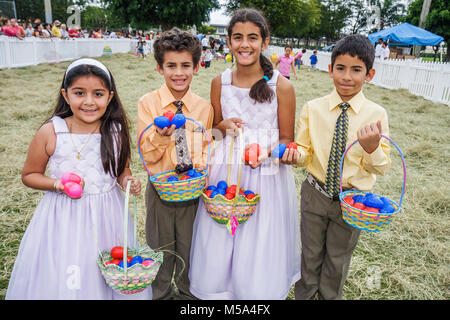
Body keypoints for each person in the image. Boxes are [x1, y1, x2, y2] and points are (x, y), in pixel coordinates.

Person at [5, 58, 151, 300]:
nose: (89, 101)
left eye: (98, 94)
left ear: (110, 96)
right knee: (69, 267)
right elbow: (29, 175)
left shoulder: (115, 131)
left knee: (104, 266)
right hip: (63, 217)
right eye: (79, 93)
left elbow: (121, 171)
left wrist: (128, 182)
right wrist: (57, 184)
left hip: (107, 215)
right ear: (65, 94)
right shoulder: (51, 132)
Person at [189, 8, 301, 300]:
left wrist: (274, 151)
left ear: (265, 42)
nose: (245, 44)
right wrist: (221, 126)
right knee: (221, 231)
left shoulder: (282, 86)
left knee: (258, 236)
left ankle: (253, 294)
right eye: (237, 37)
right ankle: (220, 292)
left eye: (253, 37)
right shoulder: (220, 82)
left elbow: (287, 139)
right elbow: (213, 129)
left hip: (266, 173)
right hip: (225, 168)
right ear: (228, 41)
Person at [292, 34, 391, 300]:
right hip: (314, 193)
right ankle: (305, 294)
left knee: (338, 258)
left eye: (356, 70)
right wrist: (294, 156)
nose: (347, 76)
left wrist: (371, 148)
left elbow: (381, 167)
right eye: (341, 68)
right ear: (330, 70)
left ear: (369, 74)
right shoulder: (313, 108)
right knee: (310, 254)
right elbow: (304, 152)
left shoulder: (376, 115)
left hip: (353, 201)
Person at [137, 28, 213, 300]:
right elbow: (146, 155)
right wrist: (159, 136)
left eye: (186, 65)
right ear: (159, 68)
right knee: (160, 246)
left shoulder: (203, 108)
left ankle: (188, 295)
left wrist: (200, 169)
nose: (178, 73)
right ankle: (158, 293)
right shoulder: (148, 104)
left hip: (192, 191)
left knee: (191, 247)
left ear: (196, 67)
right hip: (161, 189)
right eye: (171, 65)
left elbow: (206, 145)